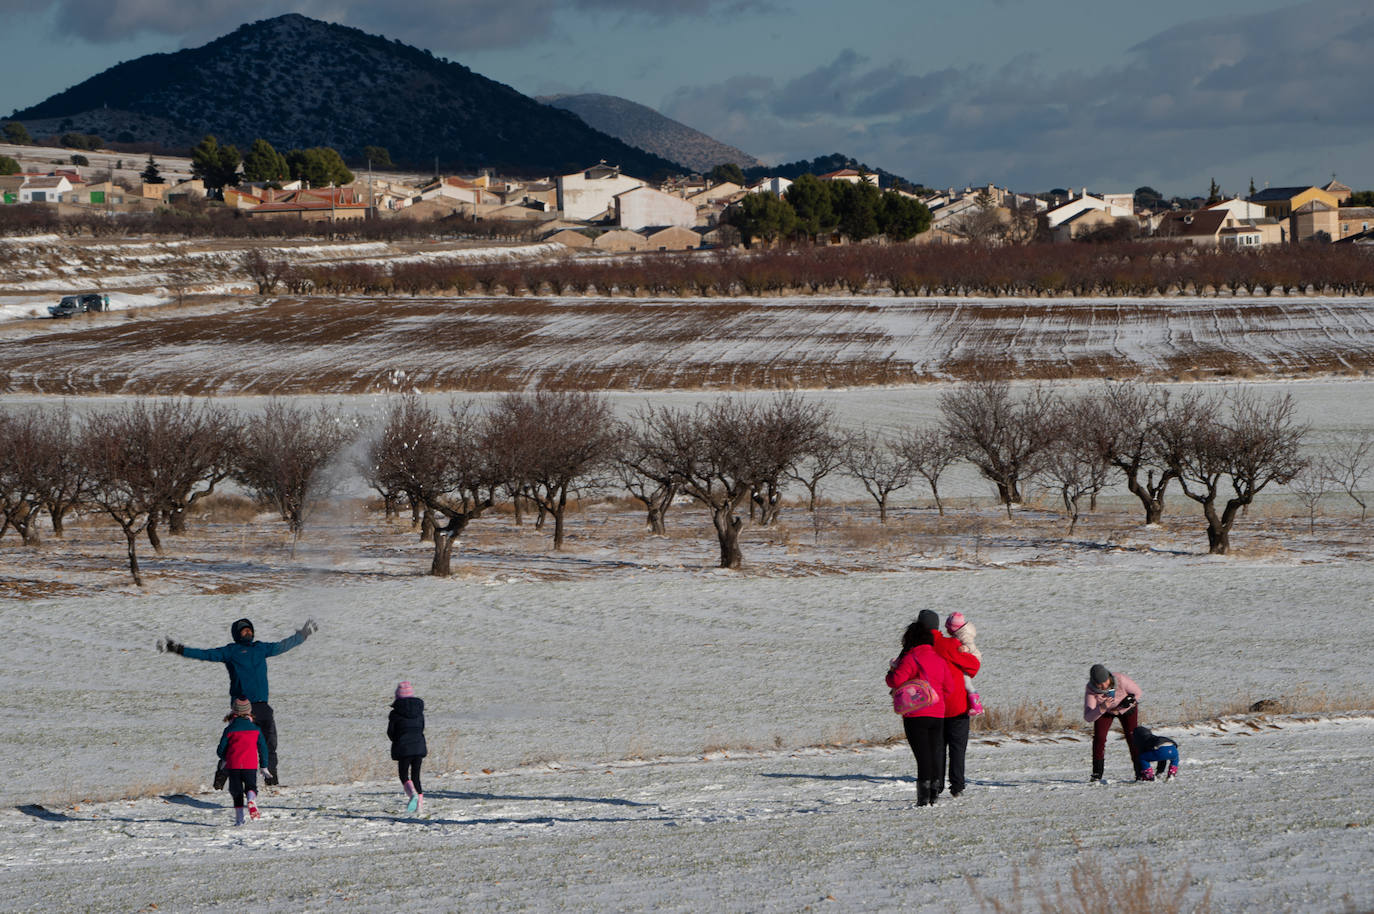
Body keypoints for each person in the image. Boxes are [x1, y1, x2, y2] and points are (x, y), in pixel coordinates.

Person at [159, 616, 317, 786]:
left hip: (263, 706)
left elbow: (283, 645)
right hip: (243, 708)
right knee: (234, 746)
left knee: (270, 744)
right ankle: (220, 779)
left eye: (249, 629)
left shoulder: (261, 648)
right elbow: (205, 654)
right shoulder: (231, 651)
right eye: (243, 629)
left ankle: (272, 781)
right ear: (237, 634)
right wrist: (177, 649)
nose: (248, 631)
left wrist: (303, 634)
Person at [886, 618, 957, 807]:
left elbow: (895, 681)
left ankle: (923, 798)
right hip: (938, 713)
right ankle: (934, 793)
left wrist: (891, 672)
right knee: (934, 753)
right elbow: (949, 688)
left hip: (915, 714)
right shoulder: (939, 659)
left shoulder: (911, 657)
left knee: (922, 756)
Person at [916, 609, 980, 798]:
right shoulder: (949, 645)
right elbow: (974, 665)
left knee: (936, 749)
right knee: (957, 747)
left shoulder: (915, 648)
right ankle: (957, 786)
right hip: (956, 704)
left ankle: (936, 786)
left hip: (929, 707)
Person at [1083, 663, 1143, 782]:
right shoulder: (1091, 689)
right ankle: (1097, 774)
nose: (1103, 686)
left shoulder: (1120, 679)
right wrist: (1102, 708)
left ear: (1109, 677)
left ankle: (1141, 771)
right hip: (1104, 711)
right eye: (1098, 684)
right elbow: (1088, 717)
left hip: (1126, 709)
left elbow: (1138, 693)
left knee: (1132, 737)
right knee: (1099, 738)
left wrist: (1122, 707)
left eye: (1105, 682)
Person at [218, 697, 269, 826]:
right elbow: (263, 747)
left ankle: (240, 819)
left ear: (233, 710)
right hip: (250, 764)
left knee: (237, 792)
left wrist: (225, 758)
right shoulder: (255, 729)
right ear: (249, 711)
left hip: (234, 765)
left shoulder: (229, 729)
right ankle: (251, 799)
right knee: (251, 787)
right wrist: (264, 765)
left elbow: (220, 750)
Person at [388, 681, 428, 815]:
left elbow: (391, 732)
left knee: (404, 775)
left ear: (397, 696)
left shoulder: (395, 714)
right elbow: (422, 728)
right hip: (418, 746)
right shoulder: (419, 712)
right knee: (416, 776)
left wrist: (397, 740)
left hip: (403, 748)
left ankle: (412, 796)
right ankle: (420, 807)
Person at [944, 612, 984, 716]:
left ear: (952, 629)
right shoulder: (960, 634)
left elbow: (971, 646)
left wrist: (965, 648)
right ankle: (973, 705)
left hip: (974, 657)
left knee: (967, 684)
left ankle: (977, 707)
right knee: (965, 684)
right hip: (970, 658)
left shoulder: (964, 635)